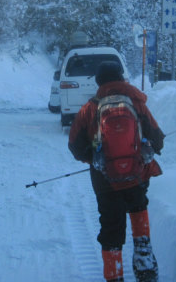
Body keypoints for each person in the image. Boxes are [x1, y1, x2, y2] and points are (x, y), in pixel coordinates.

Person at [68, 61, 165, 282]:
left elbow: (74, 146)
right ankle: (145, 265)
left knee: (111, 230)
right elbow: (158, 140)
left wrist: (95, 158)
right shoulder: (137, 103)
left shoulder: (90, 109)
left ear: (99, 81)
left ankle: (114, 275)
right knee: (138, 211)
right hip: (137, 176)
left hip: (105, 183)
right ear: (121, 77)